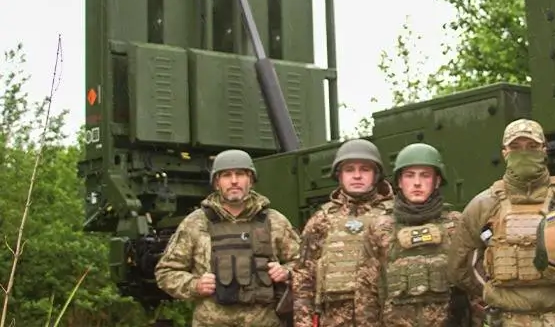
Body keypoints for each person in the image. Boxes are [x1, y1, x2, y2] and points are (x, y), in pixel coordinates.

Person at [447, 118, 555, 327]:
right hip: (508, 318)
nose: (524, 153)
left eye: (532, 146)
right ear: (504, 152)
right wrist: (492, 293)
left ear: (544, 150)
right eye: (515, 147)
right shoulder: (483, 205)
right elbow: (458, 268)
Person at [155, 148, 302, 327]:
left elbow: (305, 266)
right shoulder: (196, 223)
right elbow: (165, 273)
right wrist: (195, 285)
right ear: (217, 183)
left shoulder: (275, 221)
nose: (234, 181)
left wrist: (286, 272)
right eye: (226, 175)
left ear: (251, 180)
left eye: (240, 174)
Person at [356, 142, 471, 326]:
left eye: (425, 175)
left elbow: (471, 285)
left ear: (437, 180)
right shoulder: (379, 227)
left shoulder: (456, 224)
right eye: (410, 175)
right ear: (400, 181)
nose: (417, 182)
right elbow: (366, 292)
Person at [291, 138, 395, 327]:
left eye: (365, 169)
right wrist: (304, 323)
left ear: (376, 174)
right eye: (349, 170)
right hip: (333, 319)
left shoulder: (394, 216)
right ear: (339, 176)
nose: (357, 176)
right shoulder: (321, 220)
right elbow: (303, 277)